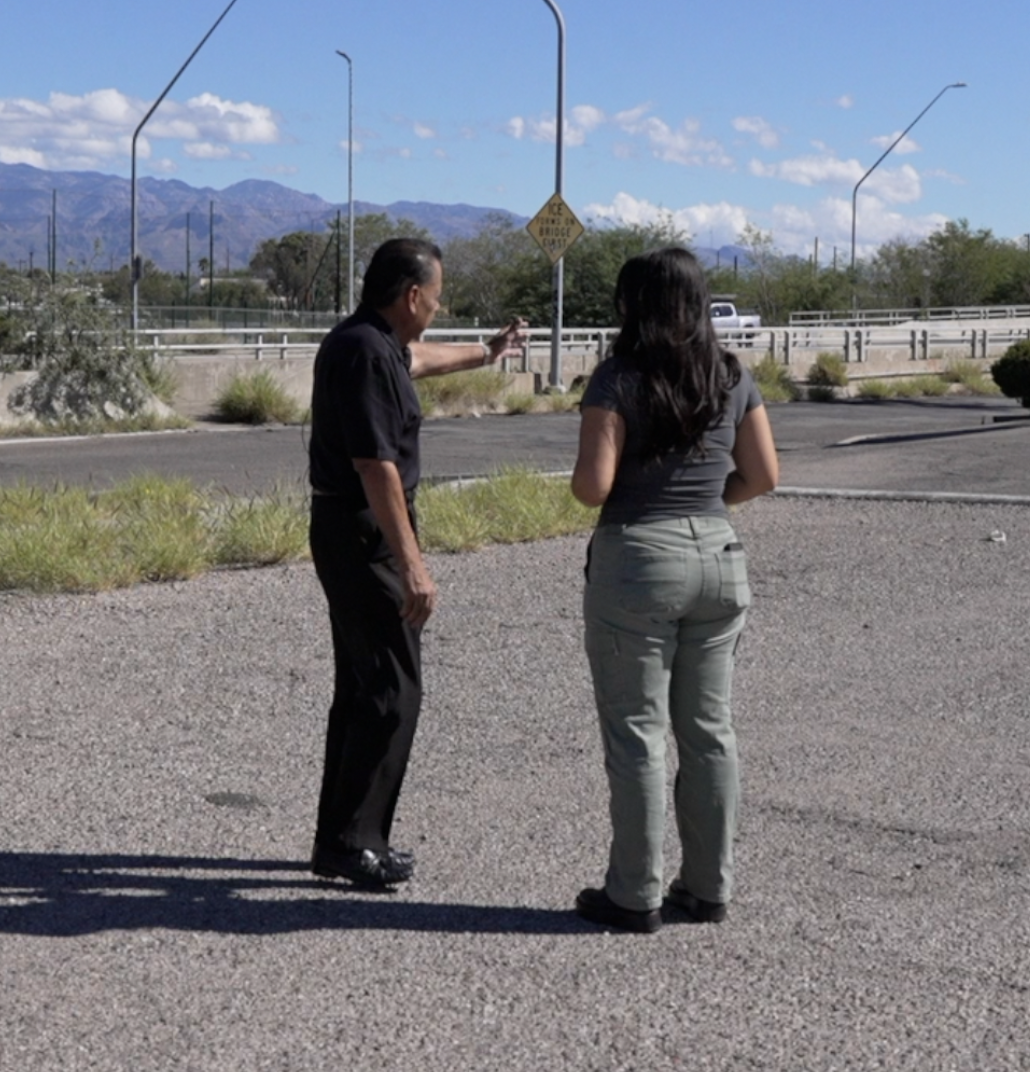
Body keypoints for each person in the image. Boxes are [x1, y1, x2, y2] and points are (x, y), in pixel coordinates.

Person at [570, 246, 779, 933]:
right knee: (709, 730)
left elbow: (591, 488)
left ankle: (635, 894)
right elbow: (763, 475)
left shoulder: (617, 378)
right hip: (718, 554)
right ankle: (708, 887)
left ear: (637, 305)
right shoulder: (730, 374)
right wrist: (702, 500)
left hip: (638, 557)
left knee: (637, 736)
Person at [306, 237, 526, 888]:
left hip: (351, 530)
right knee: (391, 691)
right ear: (410, 295)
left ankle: (343, 836)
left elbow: (421, 359)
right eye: (436, 296)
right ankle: (353, 841)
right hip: (363, 531)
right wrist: (414, 566)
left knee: (363, 688)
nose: (438, 306)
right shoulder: (366, 353)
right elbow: (377, 470)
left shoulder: (372, 344)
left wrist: (485, 353)